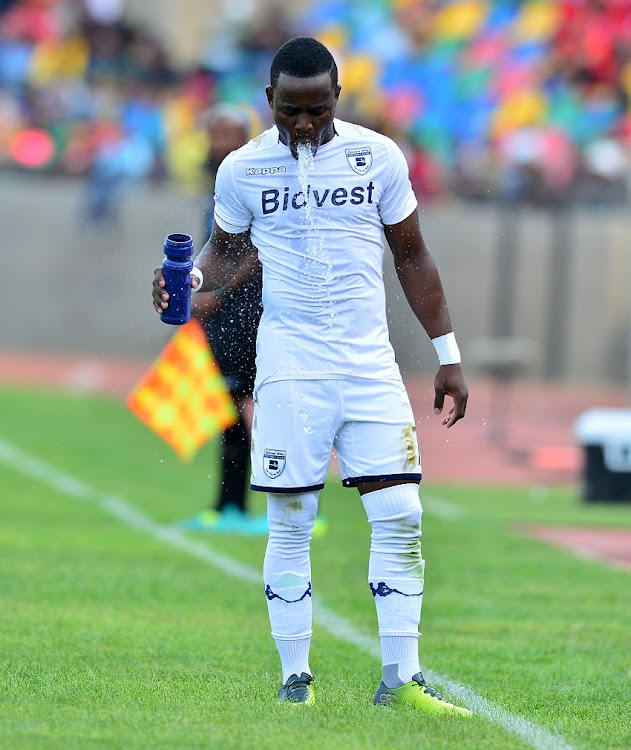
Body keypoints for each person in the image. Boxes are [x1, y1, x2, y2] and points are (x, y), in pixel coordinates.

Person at [153, 37, 470, 714]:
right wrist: (188, 282)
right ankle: (295, 676)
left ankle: (402, 679)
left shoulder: (377, 155)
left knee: (401, 515)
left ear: (336, 99)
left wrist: (447, 353)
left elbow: (412, 257)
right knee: (292, 519)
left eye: (317, 109)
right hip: (291, 365)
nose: (304, 123)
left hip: (368, 363)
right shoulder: (242, 168)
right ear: (269, 100)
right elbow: (226, 251)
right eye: (291, 110)